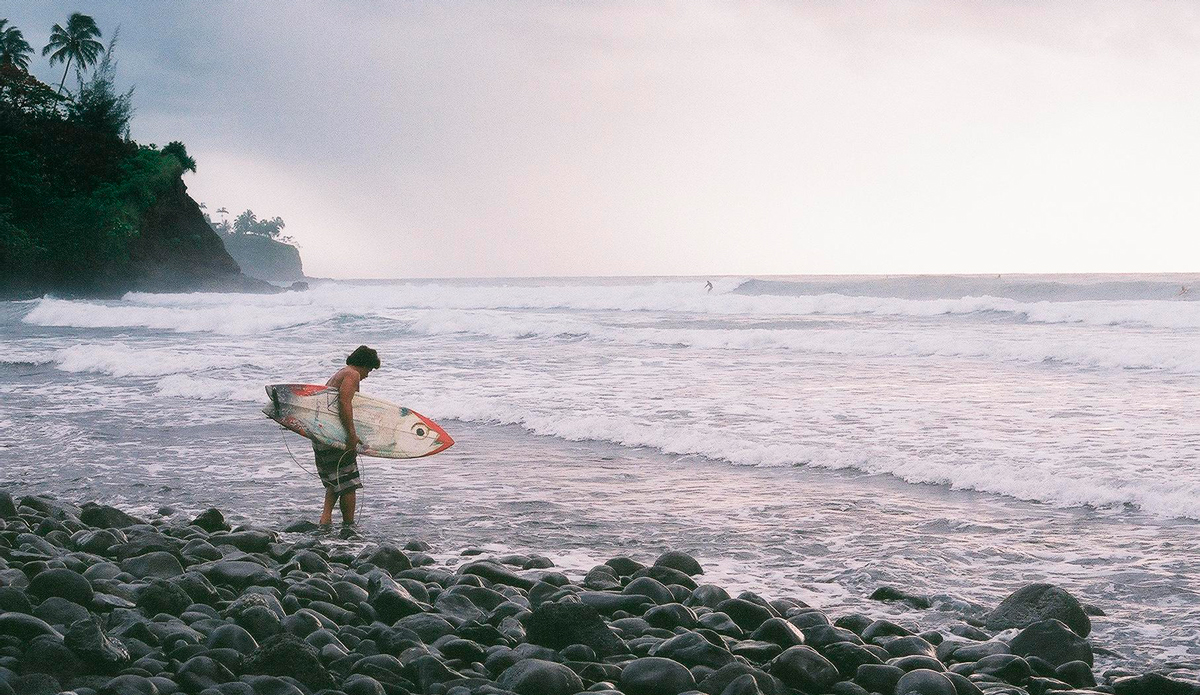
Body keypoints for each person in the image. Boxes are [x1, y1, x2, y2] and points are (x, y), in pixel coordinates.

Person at [315, 345, 380, 525]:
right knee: (349, 484)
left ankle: (325, 519)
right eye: (369, 369)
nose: (368, 374)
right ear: (364, 364)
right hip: (335, 435)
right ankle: (349, 526)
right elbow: (344, 403)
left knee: (336, 478)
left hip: (323, 433)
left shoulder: (340, 373)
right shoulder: (352, 374)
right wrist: (351, 435)